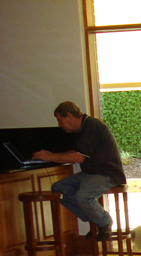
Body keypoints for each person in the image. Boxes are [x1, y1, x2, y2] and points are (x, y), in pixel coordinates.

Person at [32, 101, 126, 241]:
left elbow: (79, 157)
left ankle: (104, 222)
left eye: (60, 120)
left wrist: (50, 157)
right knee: (59, 188)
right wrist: (51, 154)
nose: (59, 125)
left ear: (69, 116)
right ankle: (95, 219)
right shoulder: (81, 129)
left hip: (107, 174)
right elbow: (76, 152)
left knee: (82, 197)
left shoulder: (92, 126)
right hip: (90, 173)